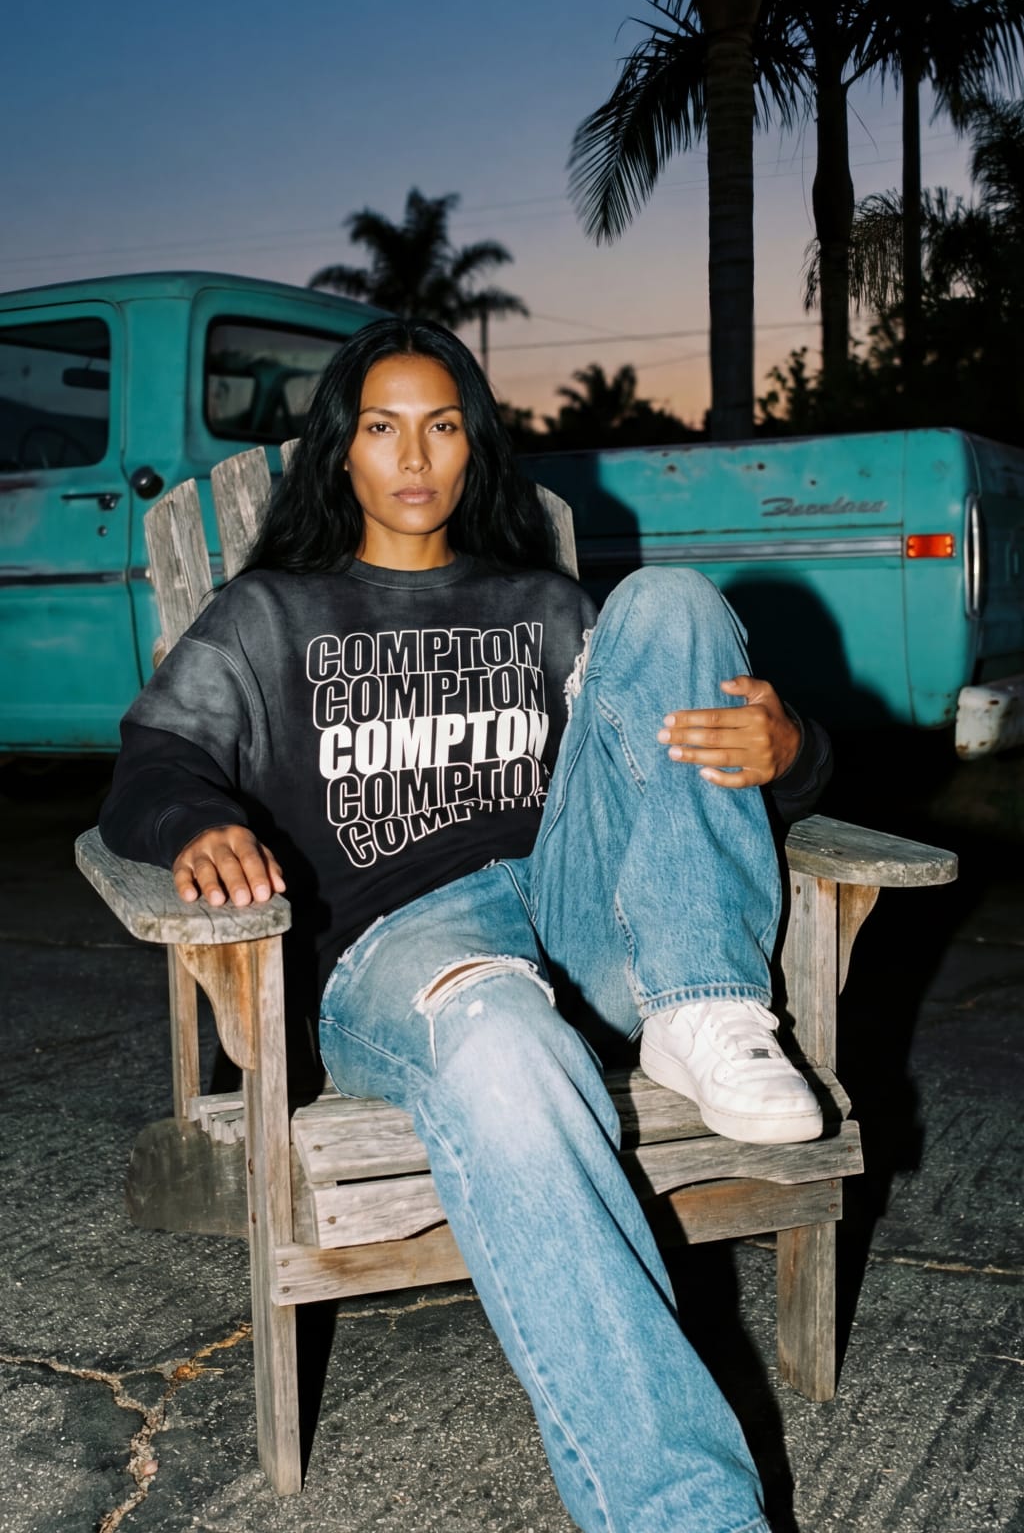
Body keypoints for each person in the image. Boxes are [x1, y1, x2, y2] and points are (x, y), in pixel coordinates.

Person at [100, 318, 833, 1533]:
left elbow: (675, 756)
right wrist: (191, 827)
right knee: (502, 1042)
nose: (414, 454)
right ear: (341, 451)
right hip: (403, 950)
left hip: (572, 906)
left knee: (673, 601)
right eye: (382, 426)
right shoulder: (271, 615)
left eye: (442, 425)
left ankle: (704, 1005)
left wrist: (795, 751)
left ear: (472, 447)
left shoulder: (543, 602)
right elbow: (154, 757)